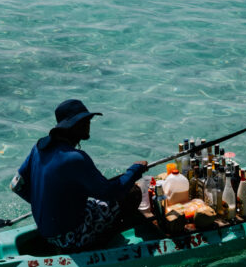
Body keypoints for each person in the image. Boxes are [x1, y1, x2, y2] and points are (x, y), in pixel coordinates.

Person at [11, 99, 147, 252]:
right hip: (71, 237)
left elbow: (16, 185)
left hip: (46, 231)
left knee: (112, 185)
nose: (88, 124)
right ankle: (100, 243)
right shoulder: (75, 158)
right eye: (82, 122)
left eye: (88, 120)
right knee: (132, 193)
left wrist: (44, 204)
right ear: (69, 127)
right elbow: (111, 193)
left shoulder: (39, 148)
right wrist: (135, 170)